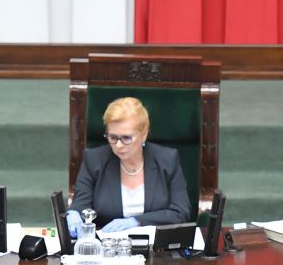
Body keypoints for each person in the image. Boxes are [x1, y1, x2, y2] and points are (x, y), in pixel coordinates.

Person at [67, 97, 191, 235]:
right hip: (108, 247)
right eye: (113, 137)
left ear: (143, 135)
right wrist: (73, 214)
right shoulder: (94, 160)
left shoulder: (167, 160)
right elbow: (80, 205)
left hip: (156, 249)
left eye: (126, 138)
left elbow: (180, 213)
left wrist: (136, 221)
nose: (118, 145)